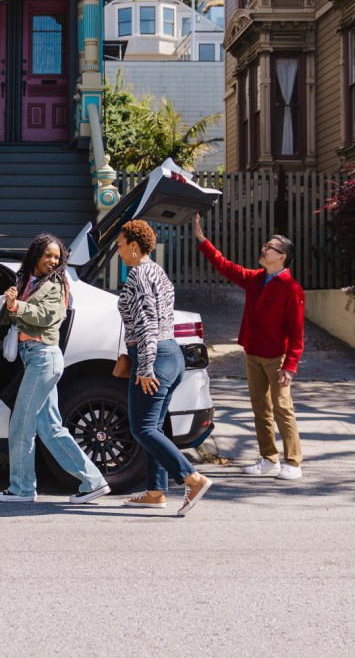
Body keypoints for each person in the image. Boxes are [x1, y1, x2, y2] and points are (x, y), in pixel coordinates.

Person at [0, 233, 110, 504]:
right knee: (50, 428)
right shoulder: (25, 281)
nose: (52, 261)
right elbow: (18, 315)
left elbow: (47, 316)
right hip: (33, 357)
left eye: (57, 257)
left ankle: (22, 488)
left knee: (21, 424)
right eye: (48, 255)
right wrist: (11, 302)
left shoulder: (56, 284)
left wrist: (17, 306)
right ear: (35, 254)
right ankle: (93, 481)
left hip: (44, 357)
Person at [193, 213, 305, 481]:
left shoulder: (292, 288)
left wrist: (290, 366)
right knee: (259, 408)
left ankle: (293, 461)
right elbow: (225, 266)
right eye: (265, 245)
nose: (264, 249)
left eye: (270, 247)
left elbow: (297, 333)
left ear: (282, 256)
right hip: (253, 353)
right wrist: (201, 240)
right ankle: (269, 459)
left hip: (277, 358)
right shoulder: (256, 279)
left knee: (282, 407)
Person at [116, 219, 214, 515]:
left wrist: (144, 367)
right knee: (154, 427)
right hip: (172, 354)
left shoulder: (138, 275)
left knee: (143, 428)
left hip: (154, 356)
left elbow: (146, 323)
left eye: (120, 245)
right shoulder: (157, 271)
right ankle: (156, 491)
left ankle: (193, 479)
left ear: (134, 246)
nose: (119, 252)